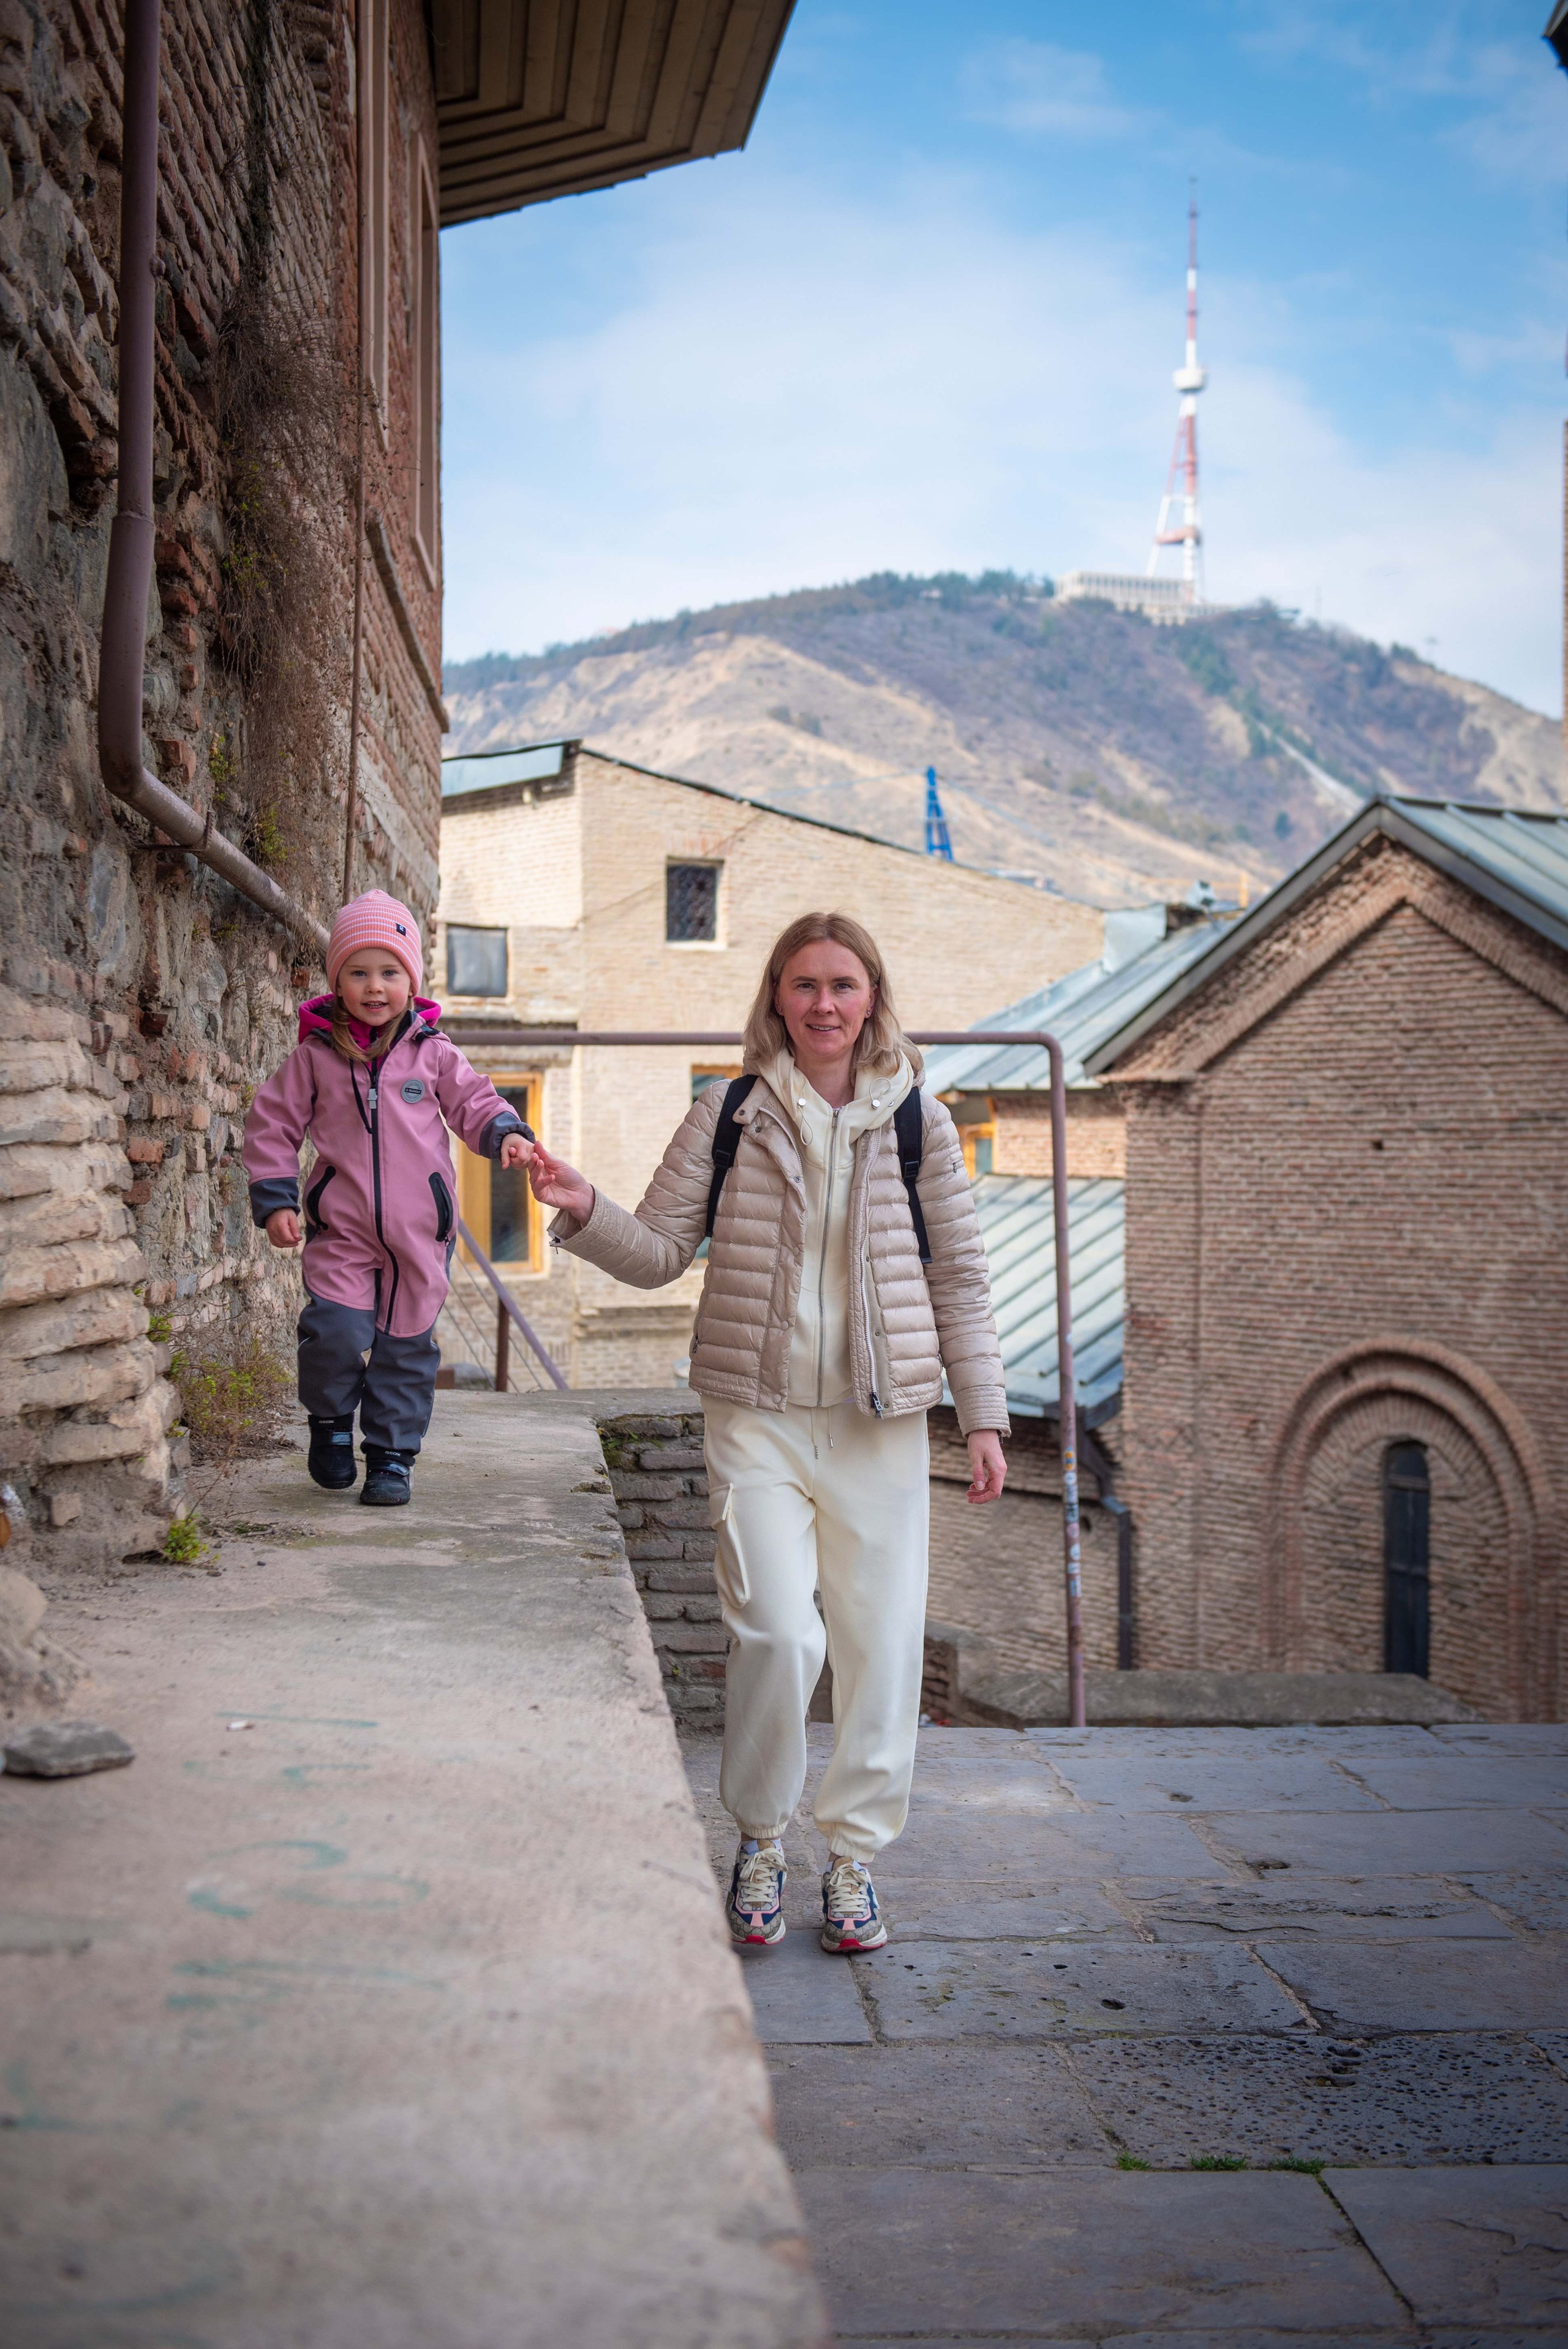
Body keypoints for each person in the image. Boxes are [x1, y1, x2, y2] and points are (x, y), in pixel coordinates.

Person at [529, 911, 1008, 1955]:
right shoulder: (730, 1111)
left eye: (843, 985)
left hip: (880, 1428)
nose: (824, 1004)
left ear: (873, 996)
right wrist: (583, 1205)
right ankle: (758, 1840)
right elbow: (659, 1251)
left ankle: (854, 1864)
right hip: (756, 1419)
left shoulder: (921, 1122)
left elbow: (959, 1280)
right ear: (776, 998)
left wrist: (983, 1417)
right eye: (804, 985)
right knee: (781, 1636)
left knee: (880, 1651)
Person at [243, 888, 534, 1506]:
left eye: (389, 972)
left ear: (411, 980)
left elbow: (475, 1102)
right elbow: (272, 1123)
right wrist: (276, 1198)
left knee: (405, 1345)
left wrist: (504, 1132)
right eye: (358, 972)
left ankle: (391, 1458)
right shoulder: (316, 1058)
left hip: (418, 1232)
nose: (374, 987)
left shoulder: (433, 1054)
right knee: (335, 1334)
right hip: (341, 1230)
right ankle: (328, 1425)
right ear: (337, 982)